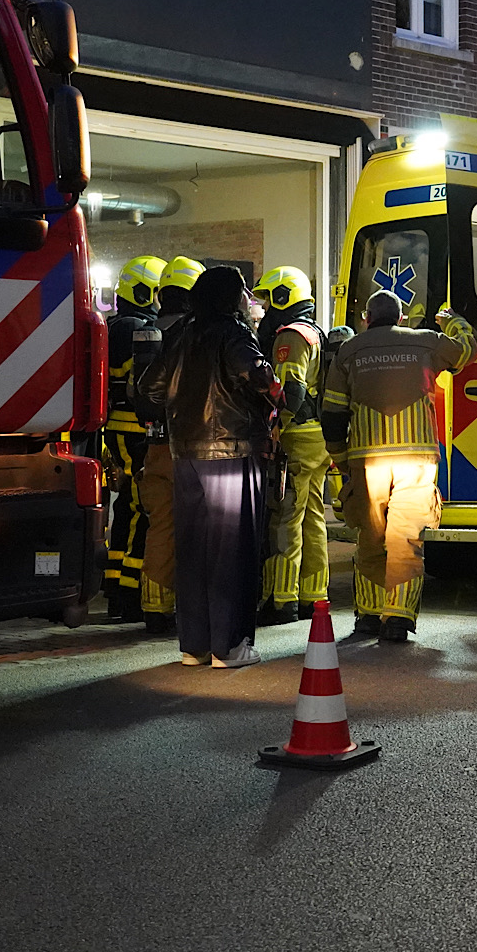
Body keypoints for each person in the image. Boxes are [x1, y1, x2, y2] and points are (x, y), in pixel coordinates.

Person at [138, 265, 278, 667]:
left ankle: (194, 646)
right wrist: (271, 397)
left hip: (185, 454)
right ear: (229, 297)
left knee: (193, 547)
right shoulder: (233, 332)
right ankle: (229, 646)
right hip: (232, 451)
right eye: (243, 292)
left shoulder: (181, 332)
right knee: (232, 549)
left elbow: (150, 389)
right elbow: (257, 375)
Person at [320, 290, 477, 644]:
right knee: (406, 537)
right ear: (402, 318)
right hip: (416, 461)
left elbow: (332, 414)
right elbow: (469, 347)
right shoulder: (427, 343)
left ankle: (369, 616)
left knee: (371, 537)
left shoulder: (348, 351)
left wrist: (342, 460)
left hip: (367, 459)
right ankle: (397, 619)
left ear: (366, 318)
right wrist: (450, 318)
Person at [253, 266, 330, 626]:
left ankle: (282, 599)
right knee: (312, 516)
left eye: (270, 301)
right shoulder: (313, 331)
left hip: (295, 436)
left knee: (286, 517)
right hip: (314, 436)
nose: (266, 309)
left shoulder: (290, 336)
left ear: (284, 298)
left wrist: (276, 431)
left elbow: (291, 392)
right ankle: (313, 594)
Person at [133, 256, 202, 637]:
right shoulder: (196, 335)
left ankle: (155, 608)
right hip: (190, 449)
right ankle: (189, 605)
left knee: (160, 527)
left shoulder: (147, 333)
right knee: (198, 528)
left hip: (153, 445)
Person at [102, 255, 165, 623]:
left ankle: (117, 588)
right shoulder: (136, 330)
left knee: (126, 507)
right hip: (134, 431)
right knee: (143, 509)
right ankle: (130, 592)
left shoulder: (116, 326)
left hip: (118, 429)